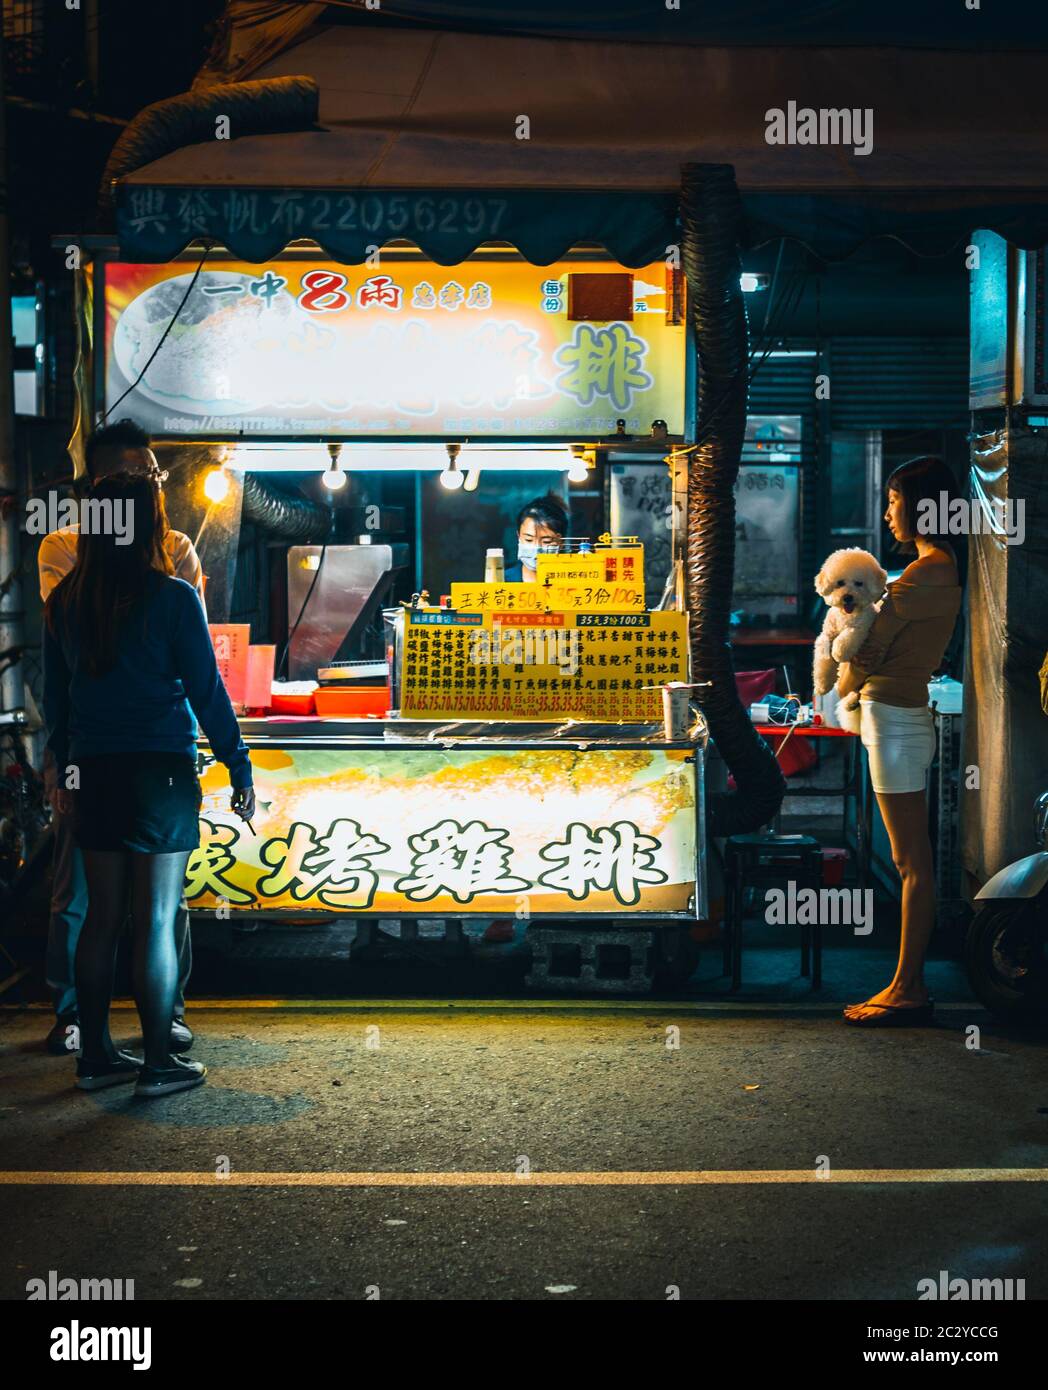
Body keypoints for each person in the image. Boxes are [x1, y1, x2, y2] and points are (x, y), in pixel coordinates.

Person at [43, 470, 254, 1096]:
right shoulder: (172, 597)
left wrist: (67, 770)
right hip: (159, 770)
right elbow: (207, 693)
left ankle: (97, 1057)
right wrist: (237, 766)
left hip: (95, 771)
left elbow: (58, 704)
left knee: (103, 918)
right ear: (149, 522)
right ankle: (159, 1062)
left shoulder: (65, 602)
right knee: (156, 919)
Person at [38, 419, 203, 1058]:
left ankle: (159, 1021)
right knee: (84, 894)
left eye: (148, 475)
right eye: (124, 478)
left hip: (120, 749)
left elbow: (186, 652)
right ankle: (81, 1020)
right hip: (98, 751)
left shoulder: (177, 549)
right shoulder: (60, 548)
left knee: (157, 902)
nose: (141, 487)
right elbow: (82, 653)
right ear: (95, 488)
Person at [836, 456, 965, 1027]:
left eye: (893, 502)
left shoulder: (926, 572)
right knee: (909, 858)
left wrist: (841, 686)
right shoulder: (936, 567)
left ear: (919, 506)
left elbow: (868, 652)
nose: (888, 514)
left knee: (912, 862)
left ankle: (908, 988)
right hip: (898, 716)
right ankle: (903, 981)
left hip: (893, 717)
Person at [503, 493, 569, 582]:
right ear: (519, 537)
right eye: (528, 540)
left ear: (560, 543)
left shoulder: (573, 581)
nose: (536, 549)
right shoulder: (502, 581)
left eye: (546, 541)